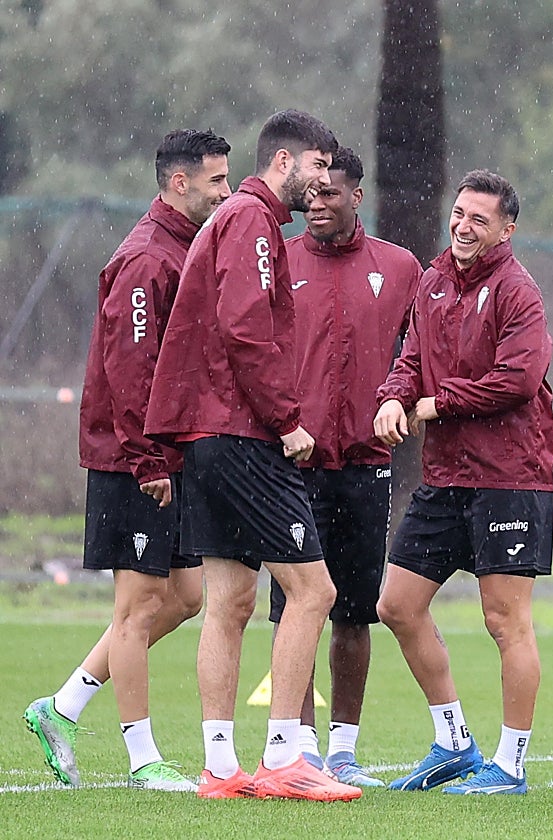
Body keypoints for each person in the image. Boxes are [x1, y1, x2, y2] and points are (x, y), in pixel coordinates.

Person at [144, 109, 360, 802]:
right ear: (288, 163)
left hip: (207, 434)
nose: (324, 185)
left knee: (231, 599)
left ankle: (217, 767)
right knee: (314, 591)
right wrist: (287, 419)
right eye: (320, 168)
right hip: (240, 434)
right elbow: (243, 328)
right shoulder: (252, 220)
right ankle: (282, 758)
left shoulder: (238, 219)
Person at [23, 130, 231, 792]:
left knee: (186, 598)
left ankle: (63, 707)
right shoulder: (145, 259)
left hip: (165, 456)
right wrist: (147, 459)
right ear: (179, 183)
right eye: (216, 181)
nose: (226, 191)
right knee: (139, 607)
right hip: (134, 459)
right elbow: (129, 370)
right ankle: (144, 761)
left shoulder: (184, 247)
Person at [373, 169, 553, 796]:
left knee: (506, 622)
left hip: (510, 477)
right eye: (458, 214)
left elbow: (518, 380)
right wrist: (395, 397)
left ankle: (510, 765)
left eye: (479, 219)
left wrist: (433, 405)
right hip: (446, 478)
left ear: (507, 229)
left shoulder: (516, 291)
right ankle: (453, 741)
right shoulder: (433, 282)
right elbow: (410, 359)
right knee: (395, 604)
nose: (463, 226)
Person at [267, 146, 422, 787]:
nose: (319, 203)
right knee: (292, 612)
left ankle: (345, 748)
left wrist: (399, 399)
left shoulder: (400, 266)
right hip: (291, 465)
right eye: (313, 192)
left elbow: (422, 347)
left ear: (357, 196)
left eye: (332, 193)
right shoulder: (277, 261)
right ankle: (296, 748)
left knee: (355, 612)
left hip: (364, 463)